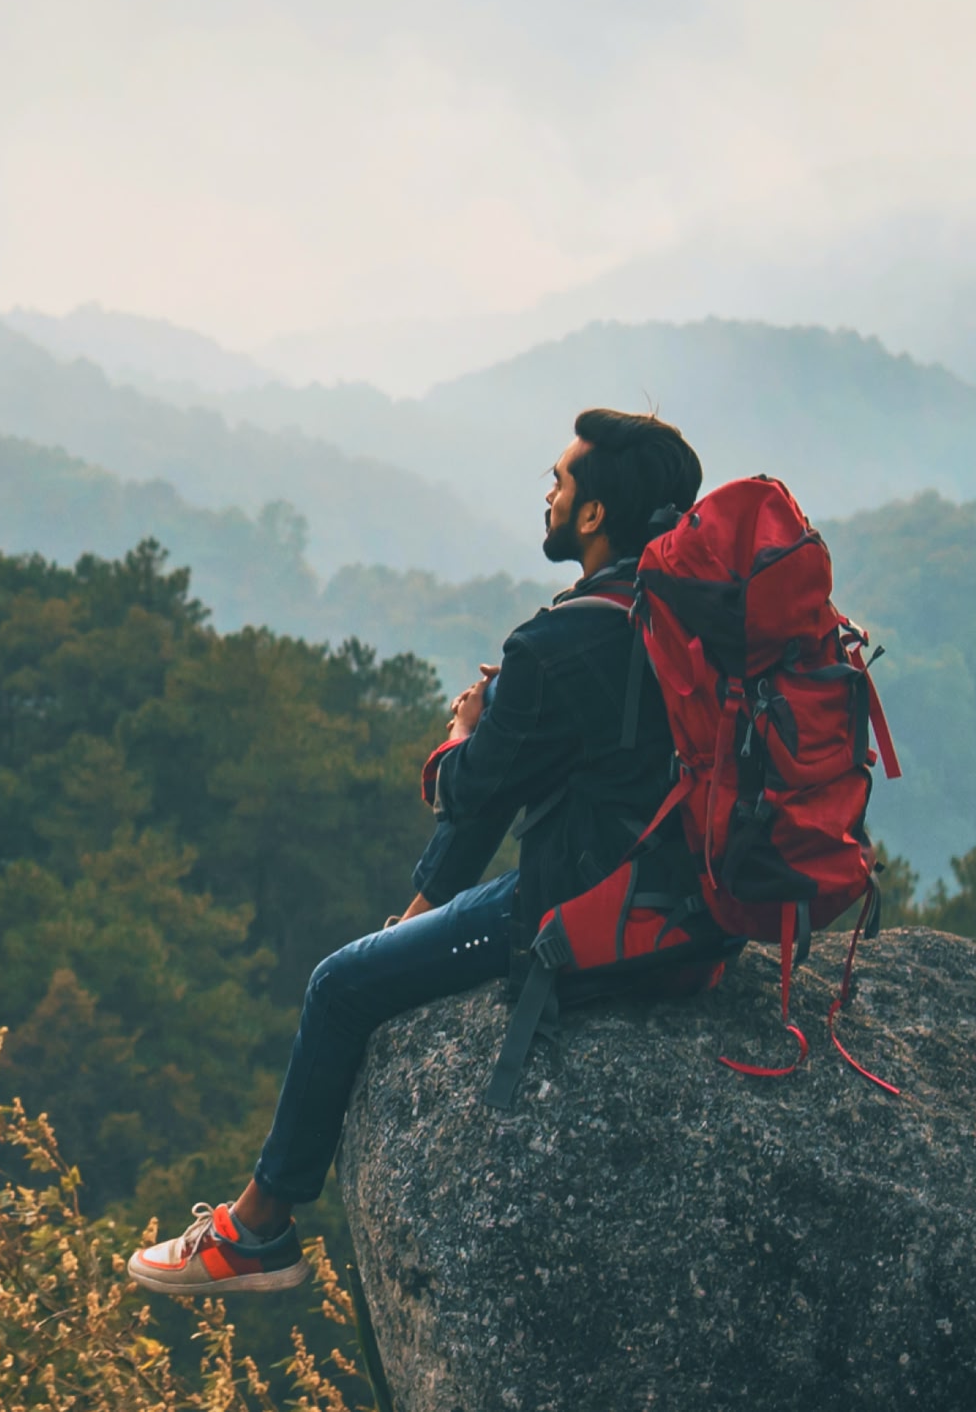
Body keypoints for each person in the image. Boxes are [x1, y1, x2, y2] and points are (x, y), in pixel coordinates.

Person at [127, 408, 704, 1295]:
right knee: (497, 766)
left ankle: (257, 1230)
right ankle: (419, 917)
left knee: (340, 984)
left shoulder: (559, 639)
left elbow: (467, 791)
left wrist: (463, 733)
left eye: (558, 481)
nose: (546, 495)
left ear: (592, 516)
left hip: (593, 916)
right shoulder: (679, 610)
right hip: (695, 898)